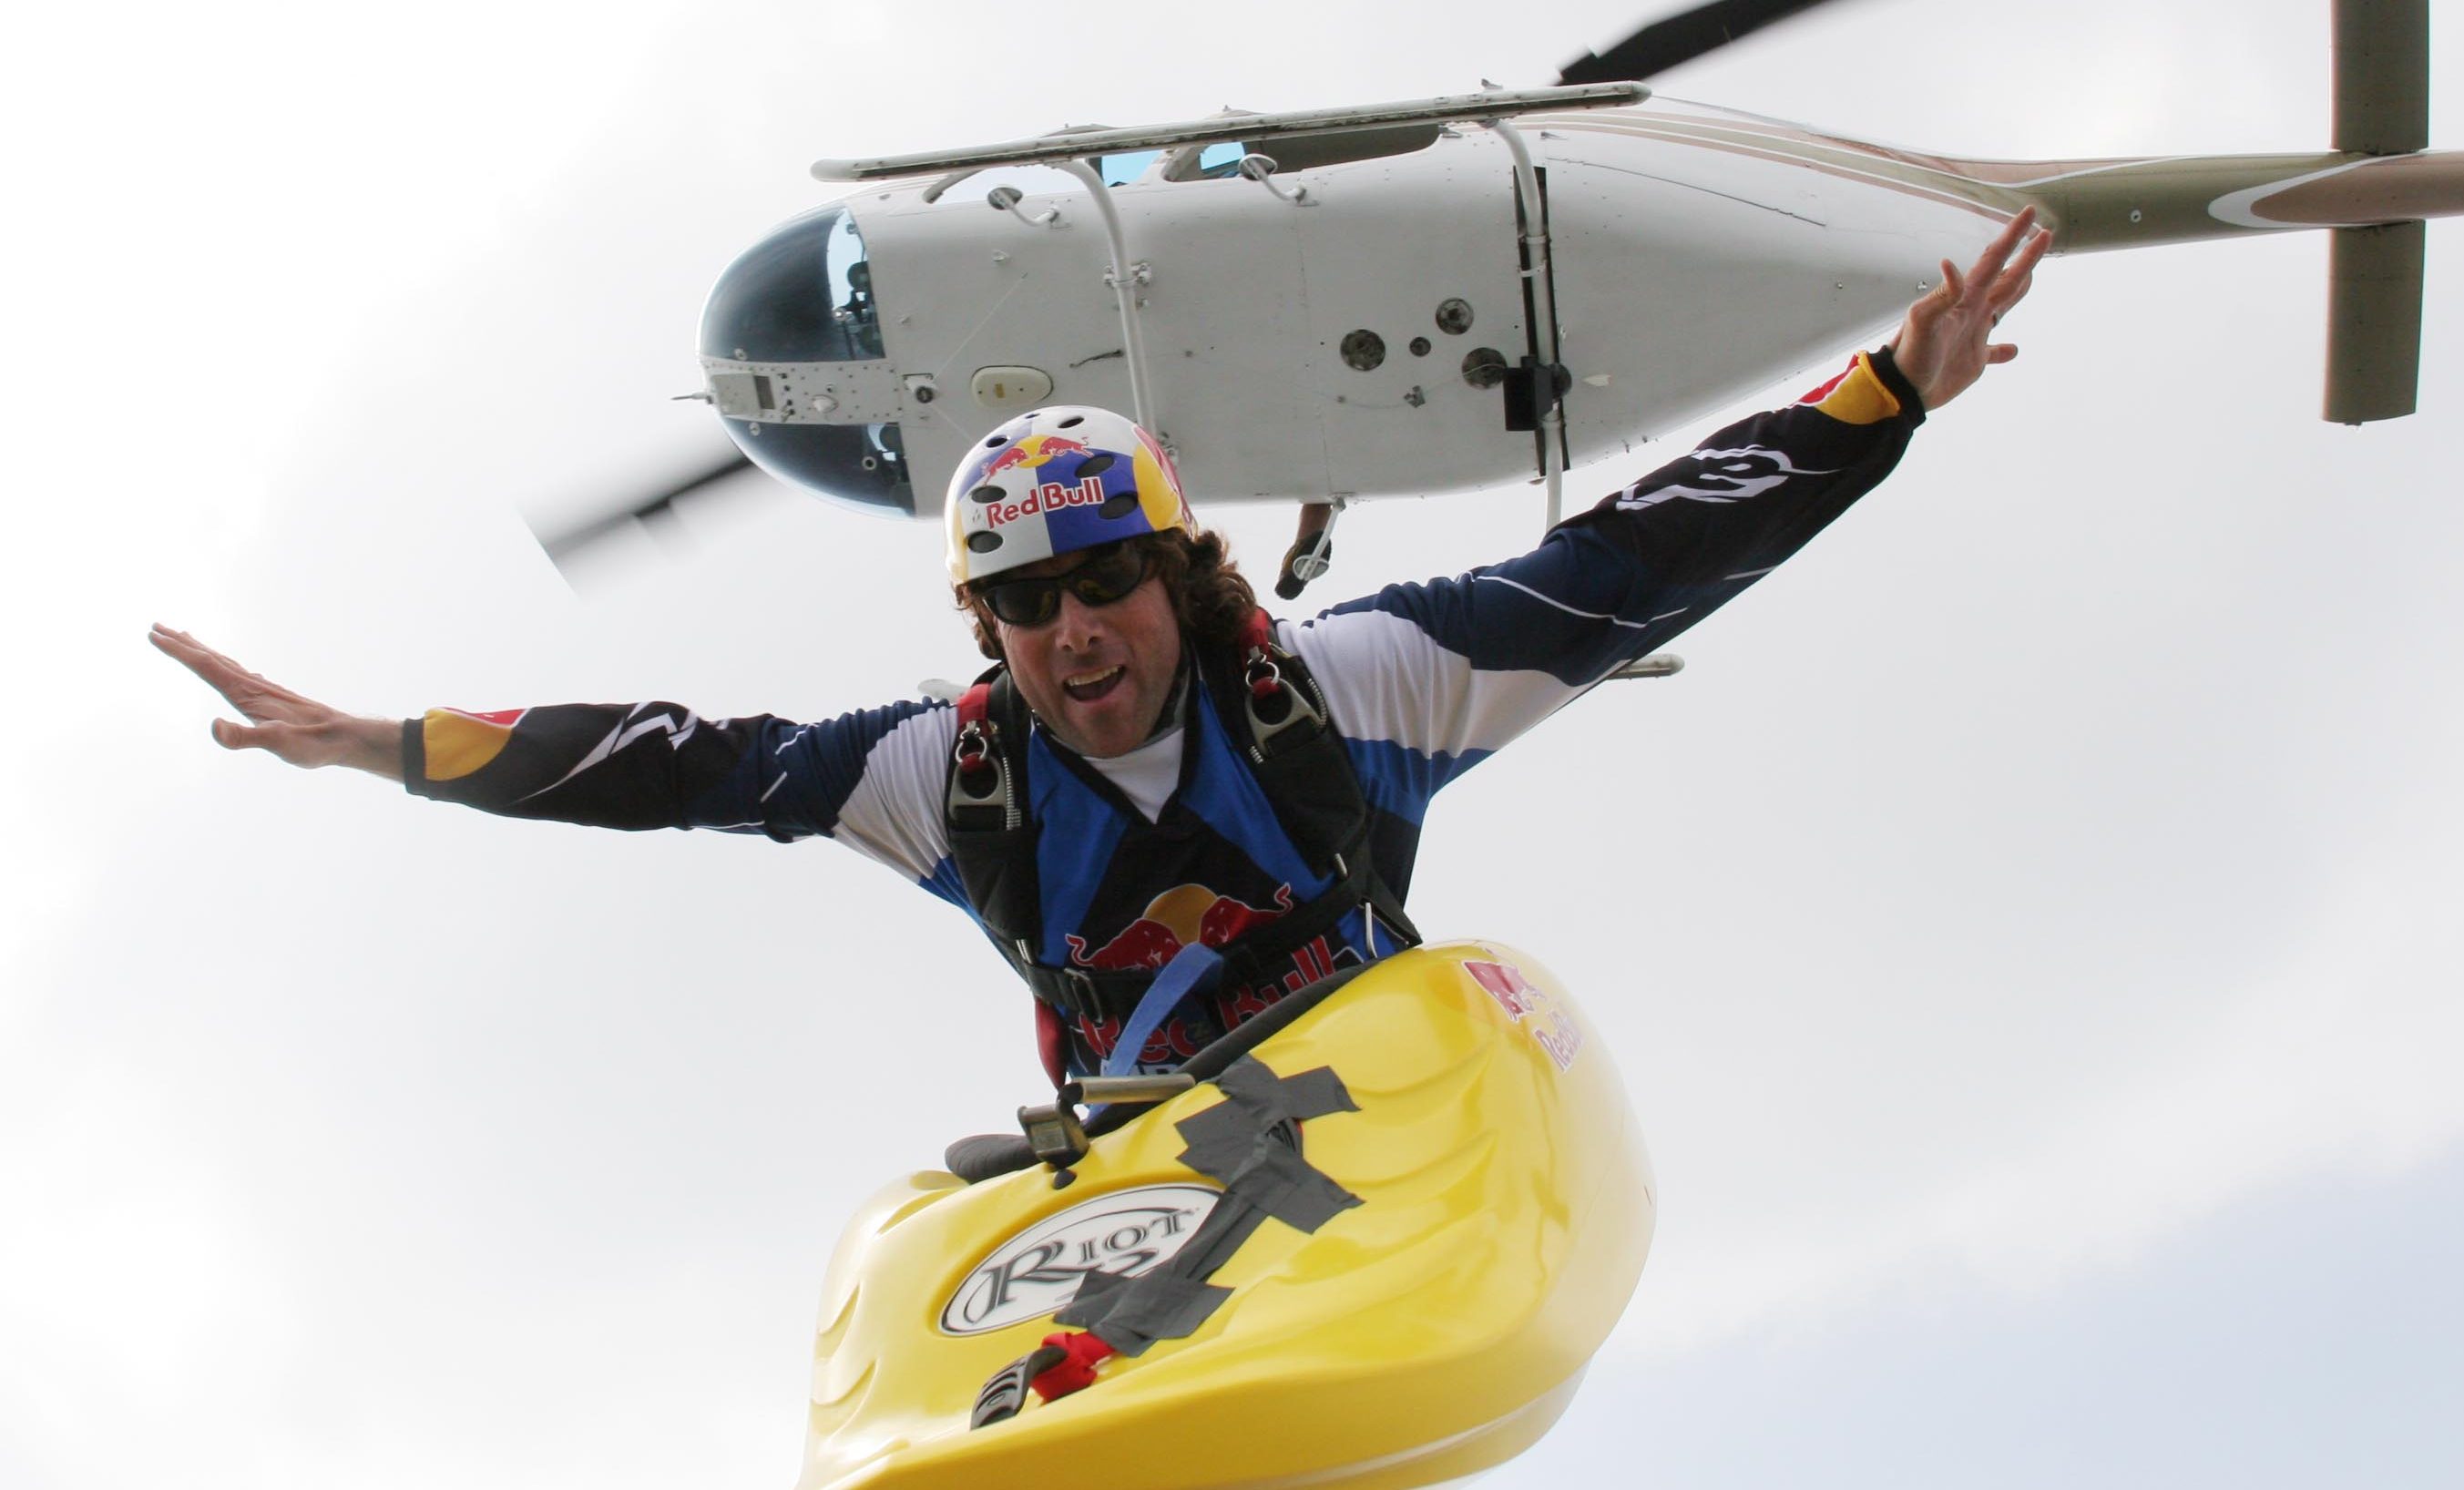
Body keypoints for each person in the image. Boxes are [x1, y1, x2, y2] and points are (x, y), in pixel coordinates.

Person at [154, 211, 2051, 1083]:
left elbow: (1629, 563)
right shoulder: (937, 772)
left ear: (1186, 575)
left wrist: (1887, 390)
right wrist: (377, 740)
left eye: (1104, 583)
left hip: (1380, 1091)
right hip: (1135, 1161)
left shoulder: (1359, 681)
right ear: (985, 623)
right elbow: (674, 761)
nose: (1074, 635)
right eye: (1028, 604)